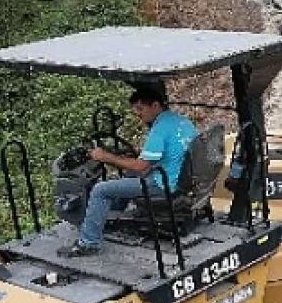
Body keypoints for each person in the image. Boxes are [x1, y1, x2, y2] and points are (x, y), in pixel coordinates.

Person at [58, 87, 198, 257]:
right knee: (129, 176)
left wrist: (106, 156)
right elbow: (161, 153)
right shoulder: (179, 121)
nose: (137, 114)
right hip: (182, 177)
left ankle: (88, 243)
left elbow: (141, 166)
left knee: (100, 189)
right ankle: (112, 217)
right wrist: (125, 157)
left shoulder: (159, 129)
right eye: (135, 110)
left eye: (140, 109)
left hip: (163, 184)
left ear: (155, 105)